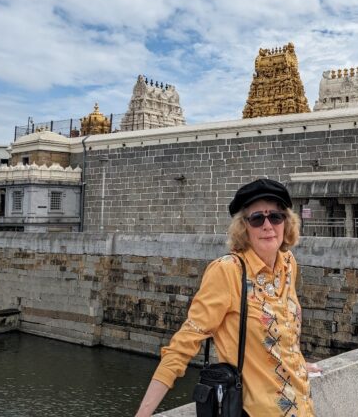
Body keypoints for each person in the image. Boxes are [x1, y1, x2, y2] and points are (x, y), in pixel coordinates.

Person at [135, 178, 319, 417]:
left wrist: (292, 362)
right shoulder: (228, 271)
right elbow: (182, 346)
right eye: (257, 219)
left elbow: (284, 329)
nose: (267, 225)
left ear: (286, 223)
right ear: (244, 227)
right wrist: (143, 413)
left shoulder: (288, 264)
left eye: (275, 217)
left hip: (304, 408)